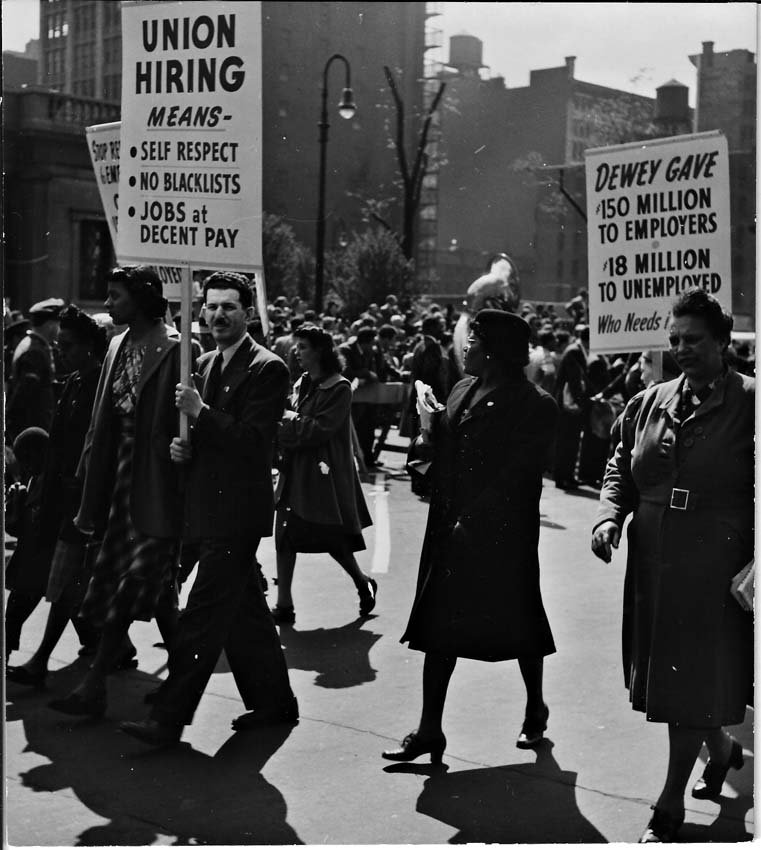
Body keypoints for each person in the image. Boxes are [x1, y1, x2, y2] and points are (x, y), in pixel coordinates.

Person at [591, 290, 753, 843]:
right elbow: (619, 460)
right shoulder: (651, 399)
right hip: (655, 563)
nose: (682, 349)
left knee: (687, 685)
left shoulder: (750, 400)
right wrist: (609, 516)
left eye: (694, 340)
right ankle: (725, 749)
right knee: (676, 681)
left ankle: (668, 806)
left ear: (723, 343)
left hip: (716, 567)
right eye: (675, 340)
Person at [120, 272, 297, 747]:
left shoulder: (268, 368)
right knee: (244, 614)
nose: (219, 315)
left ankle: (168, 716)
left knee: (200, 616)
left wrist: (200, 414)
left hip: (238, 514)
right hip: (207, 508)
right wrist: (188, 448)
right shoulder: (203, 361)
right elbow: (209, 439)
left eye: (230, 307)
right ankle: (277, 702)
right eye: (212, 306)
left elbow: (253, 442)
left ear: (249, 314)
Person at [383, 310, 558, 765]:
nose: (464, 346)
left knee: (520, 621)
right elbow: (442, 453)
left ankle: (535, 707)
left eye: (474, 339)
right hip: (449, 527)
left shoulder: (534, 403)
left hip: (500, 534)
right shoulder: (461, 390)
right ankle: (428, 731)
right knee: (437, 626)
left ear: (496, 350)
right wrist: (425, 434)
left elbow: (518, 475)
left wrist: (475, 519)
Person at [48, 267, 184, 718]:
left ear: (142, 299)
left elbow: (187, 422)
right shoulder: (115, 347)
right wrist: (89, 476)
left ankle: (95, 685)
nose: (108, 305)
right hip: (118, 479)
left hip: (158, 484)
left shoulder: (178, 349)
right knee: (146, 585)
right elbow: (101, 423)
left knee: (133, 581)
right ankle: (182, 681)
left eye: (116, 297)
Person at [6, 307, 106, 685]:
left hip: (77, 498)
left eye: (68, 345)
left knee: (66, 581)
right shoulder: (77, 380)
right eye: (59, 343)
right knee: (45, 574)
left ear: (89, 347)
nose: (61, 352)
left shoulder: (97, 384)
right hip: (55, 496)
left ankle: (43, 659)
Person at [270, 324, 376, 626]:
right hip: (295, 471)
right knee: (285, 536)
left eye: (302, 346)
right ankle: (284, 605)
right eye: (296, 346)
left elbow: (318, 430)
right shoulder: (301, 383)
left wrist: (287, 423)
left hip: (321, 477)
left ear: (319, 351)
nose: (296, 352)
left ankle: (362, 582)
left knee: (333, 540)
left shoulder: (339, 387)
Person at [5, 427, 50, 662]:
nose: (25, 467)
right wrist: (15, 504)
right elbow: (15, 527)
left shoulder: (45, 484)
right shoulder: (34, 481)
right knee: (75, 609)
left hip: (35, 565)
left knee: (15, 611)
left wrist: (17, 506)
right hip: (33, 562)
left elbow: (23, 527)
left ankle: (5, 651)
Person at [6, 297, 64, 442]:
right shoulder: (35, 351)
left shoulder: (36, 345)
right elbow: (25, 392)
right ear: (51, 325)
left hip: (33, 428)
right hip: (31, 429)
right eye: (58, 324)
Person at [339, 327, 386, 467]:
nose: (374, 346)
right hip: (351, 398)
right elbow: (346, 371)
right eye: (372, 343)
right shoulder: (345, 350)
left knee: (368, 428)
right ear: (365, 342)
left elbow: (376, 368)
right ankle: (348, 462)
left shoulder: (369, 351)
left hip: (366, 397)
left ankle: (368, 460)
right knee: (352, 431)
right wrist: (365, 373)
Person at [553, 324, 591, 489]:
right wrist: (584, 403)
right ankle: (562, 478)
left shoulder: (576, 349)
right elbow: (575, 381)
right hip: (568, 406)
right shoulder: (575, 351)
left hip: (571, 405)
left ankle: (568, 476)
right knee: (566, 442)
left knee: (572, 442)